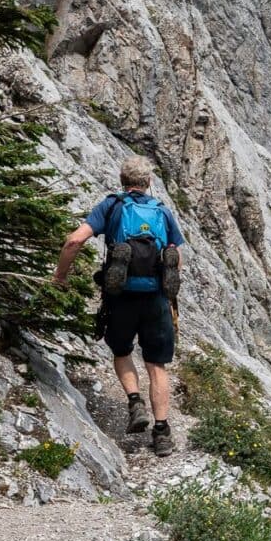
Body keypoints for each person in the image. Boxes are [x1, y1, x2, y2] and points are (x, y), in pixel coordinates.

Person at [53, 155, 185, 457]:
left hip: (121, 296)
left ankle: (135, 401)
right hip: (156, 299)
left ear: (122, 181)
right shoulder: (162, 212)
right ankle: (162, 433)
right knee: (156, 365)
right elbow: (174, 257)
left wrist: (60, 276)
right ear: (149, 182)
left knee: (122, 351)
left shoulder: (111, 206)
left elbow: (74, 241)